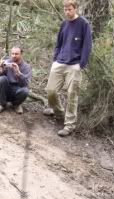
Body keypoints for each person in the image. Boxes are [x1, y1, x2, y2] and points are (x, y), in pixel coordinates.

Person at [43, 0, 92, 136]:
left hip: (74, 65)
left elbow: (87, 46)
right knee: (51, 90)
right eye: (65, 9)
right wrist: (55, 59)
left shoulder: (83, 24)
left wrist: (80, 64)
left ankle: (69, 125)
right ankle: (59, 111)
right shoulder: (64, 24)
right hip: (60, 62)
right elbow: (58, 43)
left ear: (75, 8)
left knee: (72, 95)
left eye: (69, 9)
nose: (67, 12)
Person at [0, 46, 31, 115]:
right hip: (6, 89)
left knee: (25, 91)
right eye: (12, 54)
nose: (14, 56)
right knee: (2, 79)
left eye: (16, 54)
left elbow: (25, 84)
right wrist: (1, 70)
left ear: (21, 54)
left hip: (17, 90)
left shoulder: (26, 67)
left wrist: (19, 73)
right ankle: (2, 104)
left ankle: (16, 104)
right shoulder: (6, 63)